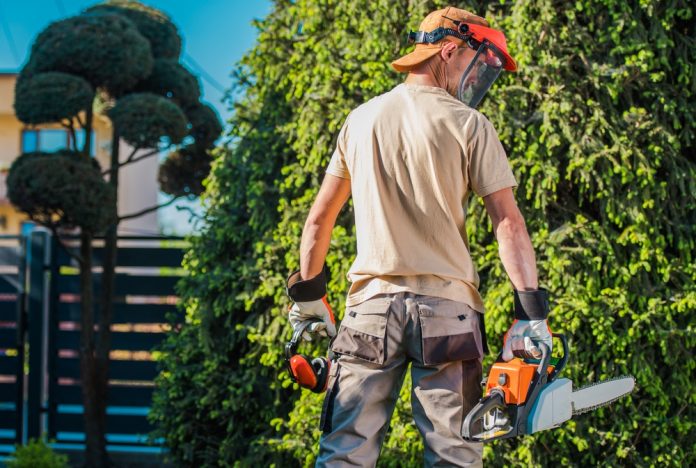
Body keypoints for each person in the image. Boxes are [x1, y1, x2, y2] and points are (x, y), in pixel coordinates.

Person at [286, 6, 552, 467]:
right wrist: (530, 314)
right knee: (454, 455)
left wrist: (309, 297)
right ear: (449, 49)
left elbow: (318, 221)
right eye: (479, 61)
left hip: (369, 312)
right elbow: (507, 223)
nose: (478, 77)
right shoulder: (469, 125)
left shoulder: (361, 120)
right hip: (448, 313)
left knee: (343, 453)